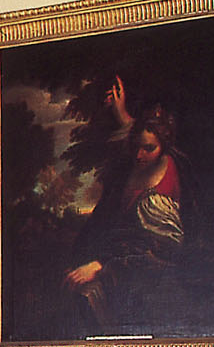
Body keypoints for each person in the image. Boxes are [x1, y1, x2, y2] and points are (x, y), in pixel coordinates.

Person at [65, 78, 184, 331]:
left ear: (164, 147)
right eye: (136, 147)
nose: (139, 155)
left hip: (145, 273)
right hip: (114, 257)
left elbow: (158, 248)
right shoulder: (132, 167)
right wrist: (121, 114)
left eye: (148, 149)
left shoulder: (163, 187)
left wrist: (100, 266)